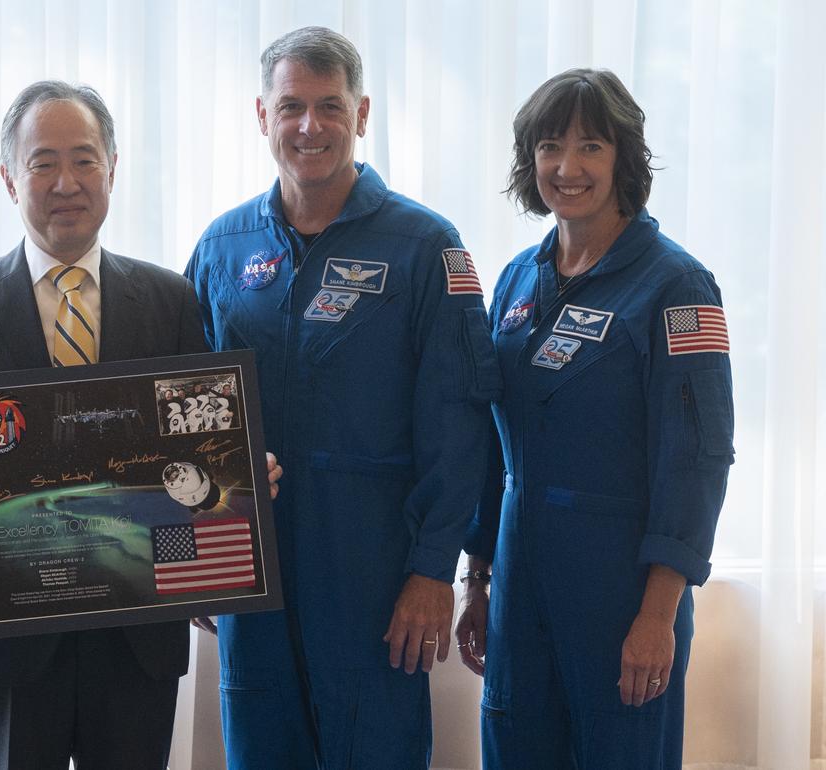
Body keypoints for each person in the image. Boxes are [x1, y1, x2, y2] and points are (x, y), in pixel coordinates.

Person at [0, 80, 281, 770]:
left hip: (137, 633)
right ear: (10, 179)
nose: (65, 182)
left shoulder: (168, 298)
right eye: (42, 163)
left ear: (112, 169)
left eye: (84, 159)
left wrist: (241, 475)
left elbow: (199, 441)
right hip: (10, 631)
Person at [186, 26, 501, 769]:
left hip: (375, 570)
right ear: (261, 116)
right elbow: (184, 411)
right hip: (252, 568)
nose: (309, 126)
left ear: (361, 114)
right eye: (291, 106)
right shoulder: (222, 248)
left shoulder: (426, 246)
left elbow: (460, 421)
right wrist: (192, 550)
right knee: (260, 748)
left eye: (330, 106)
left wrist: (433, 569)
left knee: (378, 747)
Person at [454, 68, 734, 768]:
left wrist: (658, 614)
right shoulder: (519, 277)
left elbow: (697, 457)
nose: (566, 167)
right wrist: (479, 576)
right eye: (550, 146)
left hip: (621, 591)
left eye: (591, 147)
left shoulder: (678, 285)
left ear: (625, 159)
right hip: (521, 584)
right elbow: (491, 442)